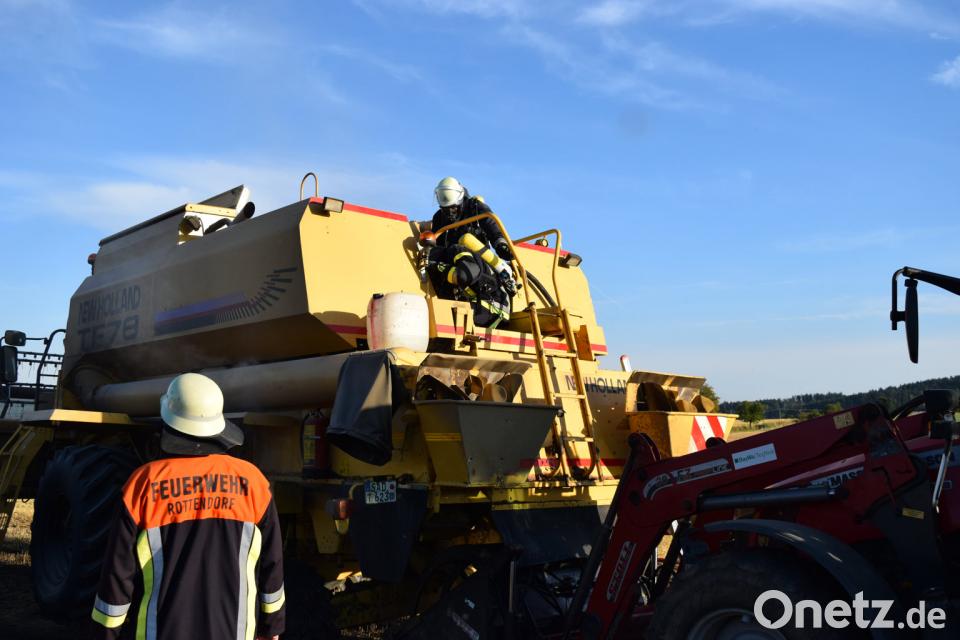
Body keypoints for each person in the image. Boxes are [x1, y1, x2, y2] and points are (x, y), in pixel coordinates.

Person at [90, 373, 285, 640]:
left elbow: (117, 577)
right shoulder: (252, 482)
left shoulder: (144, 484)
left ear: (168, 421)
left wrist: (105, 634)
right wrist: (272, 627)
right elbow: (272, 566)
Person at [420, 177, 517, 328]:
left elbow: (492, 226)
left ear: (460, 198)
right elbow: (437, 247)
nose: (449, 212)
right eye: (445, 208)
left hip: (479, 261)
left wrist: (501, 245)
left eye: (453, 208)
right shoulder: (439, 217)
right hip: (455, 262)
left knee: (468, 268)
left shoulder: (475, 207)